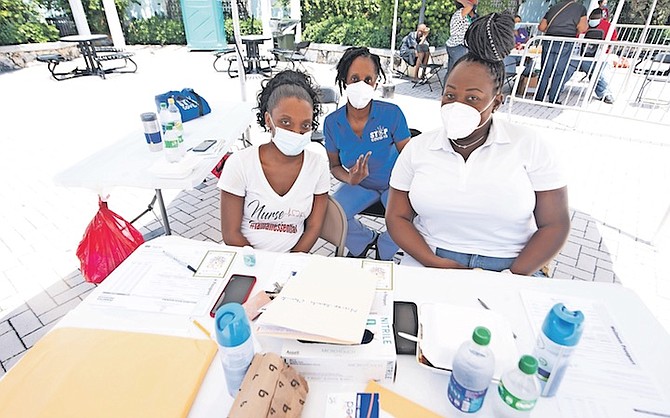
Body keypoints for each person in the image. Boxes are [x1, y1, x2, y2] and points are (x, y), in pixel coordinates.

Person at [386, 13, 570, 276]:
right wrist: (434, 262)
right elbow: (397, 217)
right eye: (450, 95)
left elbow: (555, 224)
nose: (456, 105)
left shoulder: (528, 145)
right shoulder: (418, 149)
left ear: (496, 102)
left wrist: (513, 275)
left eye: (472, 98)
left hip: (513, 262)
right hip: (430, 256)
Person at [218, 70, 329, 253]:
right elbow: (231, 234)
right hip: (245, 256)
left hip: (291, 260)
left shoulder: (318, 166)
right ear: (269, 120)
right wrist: (260, 264)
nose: (296, 132)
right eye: (285, 122)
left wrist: (288, 264)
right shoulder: (240, 164)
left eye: (305, 125)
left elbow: (313, 228)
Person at [323, 47, 412, 261]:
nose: (361, 85)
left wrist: (408, 187)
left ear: (375, 84)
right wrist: (349, 178)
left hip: (395, 184)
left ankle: (385, 248)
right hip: (360, 185)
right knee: (327, 216)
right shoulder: (332, 123)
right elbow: (334, 166)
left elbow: (411, 159)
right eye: (354, 78)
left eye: (367, 79)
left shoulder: (391, 114)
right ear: (344, 80)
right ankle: (363, 240)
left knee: (409, 216)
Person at [535, 0, 588, 104]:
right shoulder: (580, 8)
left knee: (545, 70)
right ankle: (553, 99)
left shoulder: (553, 7)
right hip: (565, 42)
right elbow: (582, 28)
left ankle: (539, 97)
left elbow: (541, 27)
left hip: (549, 41)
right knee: (559, 72)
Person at [564, 8, 617, 103]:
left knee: (572, 68)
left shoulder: (607, 26)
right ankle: (605, 93)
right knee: (595, 72)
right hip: (582, 56)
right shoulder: (585, 25)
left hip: (595, 57)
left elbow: (611, 43)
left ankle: (556, 88)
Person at [445, 0, 478, 80]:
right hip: (457, 46)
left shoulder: (470, 15)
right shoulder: (460, 13)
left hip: (458, 46)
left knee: (452, 72)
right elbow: (469, 6)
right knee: (458, 72)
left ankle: (447, 91)